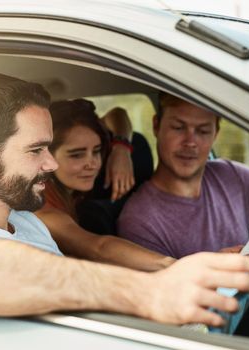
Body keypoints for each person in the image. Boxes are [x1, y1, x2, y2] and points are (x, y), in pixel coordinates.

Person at [0, 72, 249, 327]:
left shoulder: (25, 219)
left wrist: (183, 269)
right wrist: (146, 293)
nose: (51, 163)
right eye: (37, 149)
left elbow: (98, 248)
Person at [117, 93, 249, 259]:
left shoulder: (234, 176)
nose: (190, 142)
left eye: (203, 131)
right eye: (178, 128)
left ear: (215, 134)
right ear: (156, 126)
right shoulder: (139, 220)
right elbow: (164, 284)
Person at [35, 99, 172, 271]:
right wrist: (170, 265)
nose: (92, 164)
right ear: (47, 157)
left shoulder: (72, 181)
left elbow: (117, 114)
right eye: (76, 155)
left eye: (97, 151)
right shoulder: (43, 211)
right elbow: (98, 247)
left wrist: (121, 148)